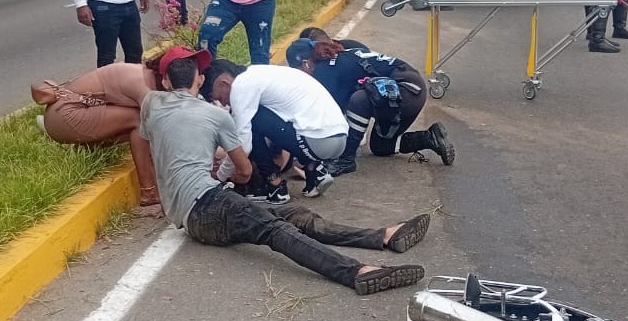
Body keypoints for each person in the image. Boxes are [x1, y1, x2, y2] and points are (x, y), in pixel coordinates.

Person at [139, 52, 425, 296]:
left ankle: (382, 236)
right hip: (206, 204)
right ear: (199, 80)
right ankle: (355, 272)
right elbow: (244, 169)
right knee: (275, 230)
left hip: (198, 211)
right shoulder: (216, 116)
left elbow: (145, 89)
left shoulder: (150, 105)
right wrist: (229, 178)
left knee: (294, 215)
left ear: (165, 82)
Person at [33, 47, 202, 214]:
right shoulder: (143, 87)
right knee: (138, 121)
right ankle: (149, 193)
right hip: (65, 115)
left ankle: (87, 146)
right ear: (167, 78)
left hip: (67, 113)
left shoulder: (149, 78)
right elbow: (163, 130)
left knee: (137, 123)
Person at [286, 32, 456, 176]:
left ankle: (346, 160)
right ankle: (429, 138)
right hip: (411, 89)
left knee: (359, 100)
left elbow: (328, 114)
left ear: (306, 63)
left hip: (404, 90)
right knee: (381, 147)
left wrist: (307, 155)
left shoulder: (324, 70)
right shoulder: (344, 50)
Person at [201, 60, 347, 202]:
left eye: (219, 98)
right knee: (258, 116)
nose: (224, 103)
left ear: (224, 83)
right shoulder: (261, 73)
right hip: (338, 137)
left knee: (250, 121)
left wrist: (220, 176)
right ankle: (315, 170)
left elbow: (242, 146)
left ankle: (274, 186)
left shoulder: (241, 86)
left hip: (319, 141)